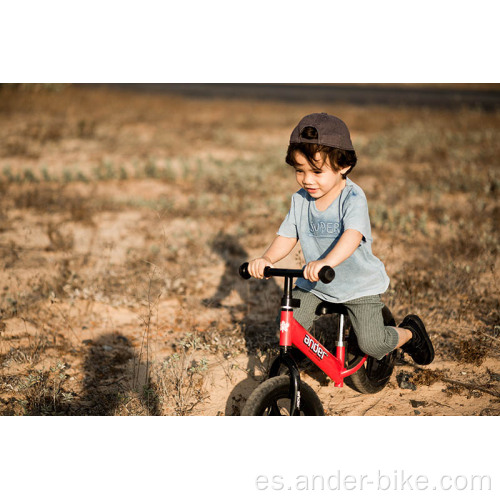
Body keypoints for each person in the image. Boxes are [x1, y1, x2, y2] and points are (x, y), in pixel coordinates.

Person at [247, 112, 434, 365]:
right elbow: (287, 235)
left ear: (343, 166)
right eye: (300, 171)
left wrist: (326, 261)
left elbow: (352, 236)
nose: (307, 180)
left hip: (357, 284)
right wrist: (267, 258)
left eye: (316, 171)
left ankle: (410, 333)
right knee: (289, 325)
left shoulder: (353, 198)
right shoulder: (300, 200)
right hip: (316, 282)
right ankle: (298, 359)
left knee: (372, 343)